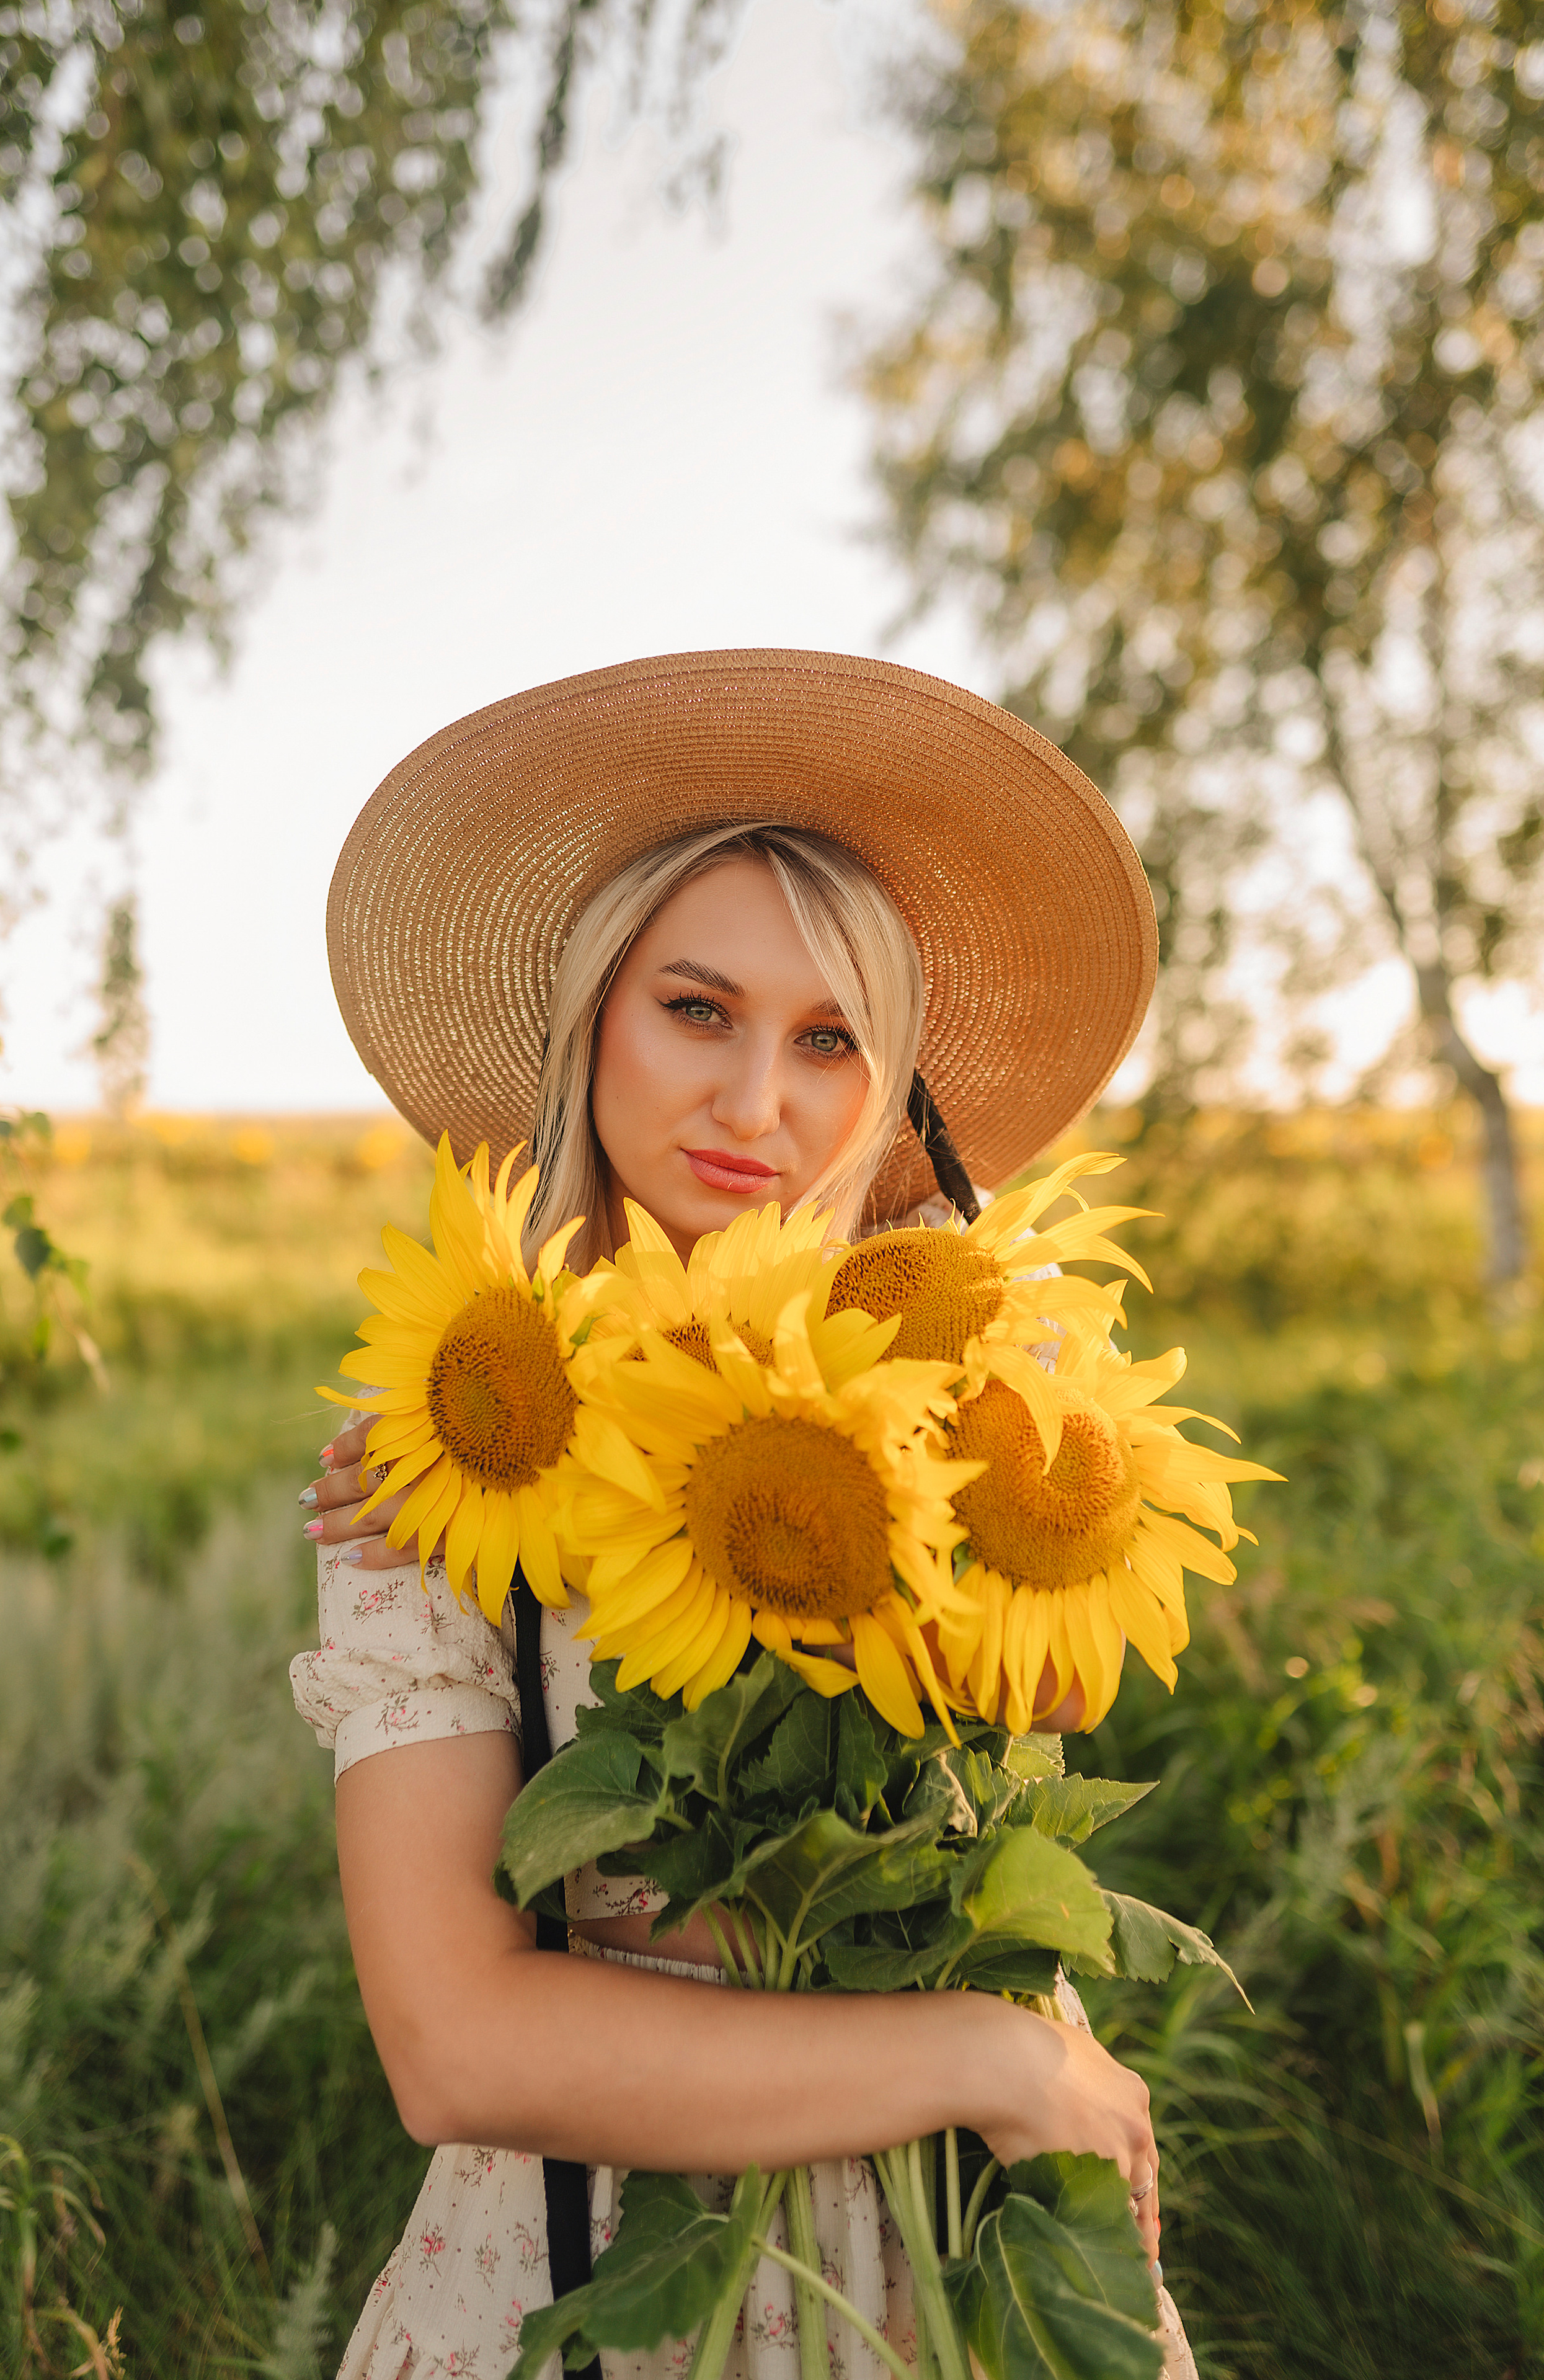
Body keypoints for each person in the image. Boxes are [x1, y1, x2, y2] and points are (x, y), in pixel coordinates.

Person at [290, 649, 1197, 2380]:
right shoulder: (442, 1450)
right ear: (592, 1013)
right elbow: (457, 2046)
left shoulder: (967, 1396)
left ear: (895, 1077)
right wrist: (992, 2061)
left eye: (832, 1039)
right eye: (696, 1010)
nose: (758, 1107)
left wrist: (924, 1468)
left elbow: (1057, 1692)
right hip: (616, 2257)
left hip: (958, 2258)